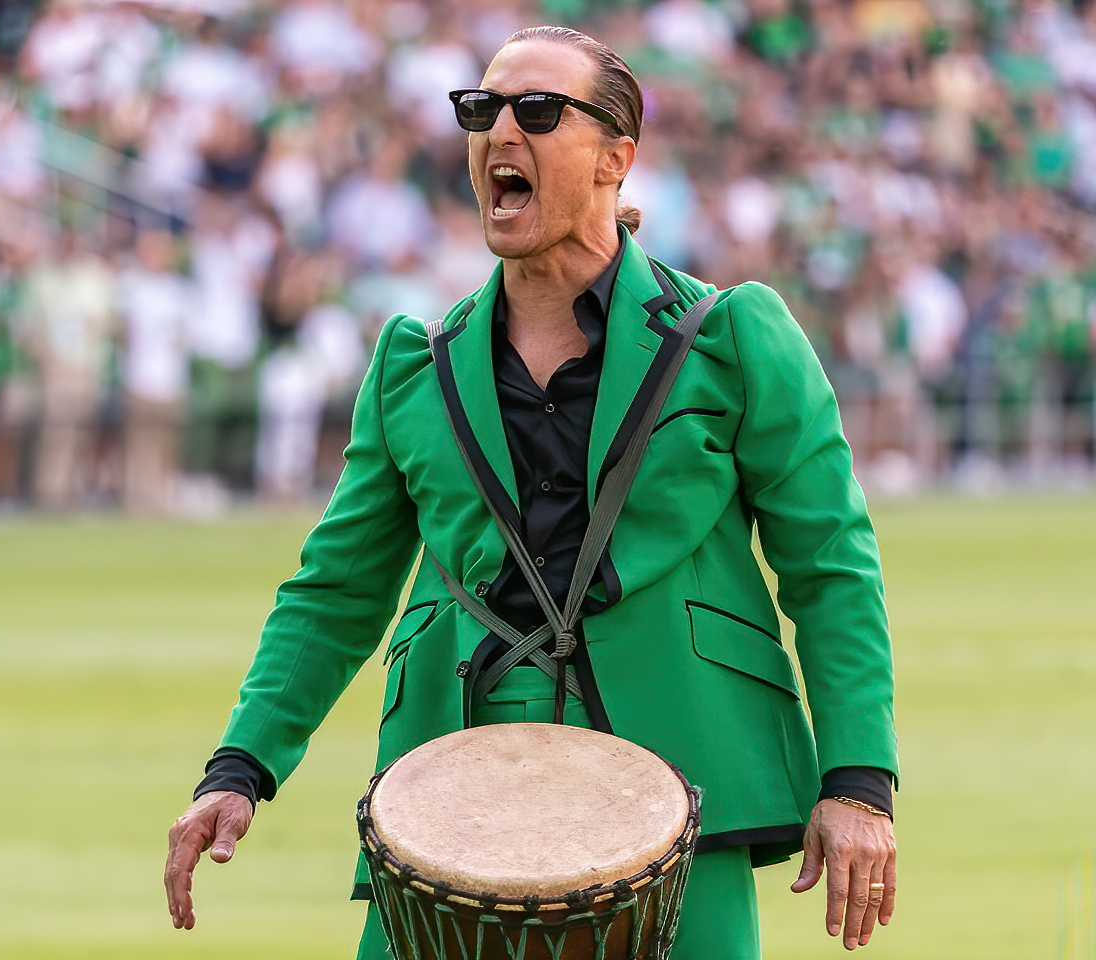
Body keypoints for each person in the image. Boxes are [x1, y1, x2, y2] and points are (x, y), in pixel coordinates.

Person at [165, 26, 899, 960]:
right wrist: (239, 766)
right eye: (481, 110)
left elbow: (832, 567)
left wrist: (858, 781)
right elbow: (335, 591)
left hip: (682, 789)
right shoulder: (410, 365)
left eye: (539, 112)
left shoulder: (735, 336)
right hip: (445, 806)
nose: (499, 130)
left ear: (615, 159)